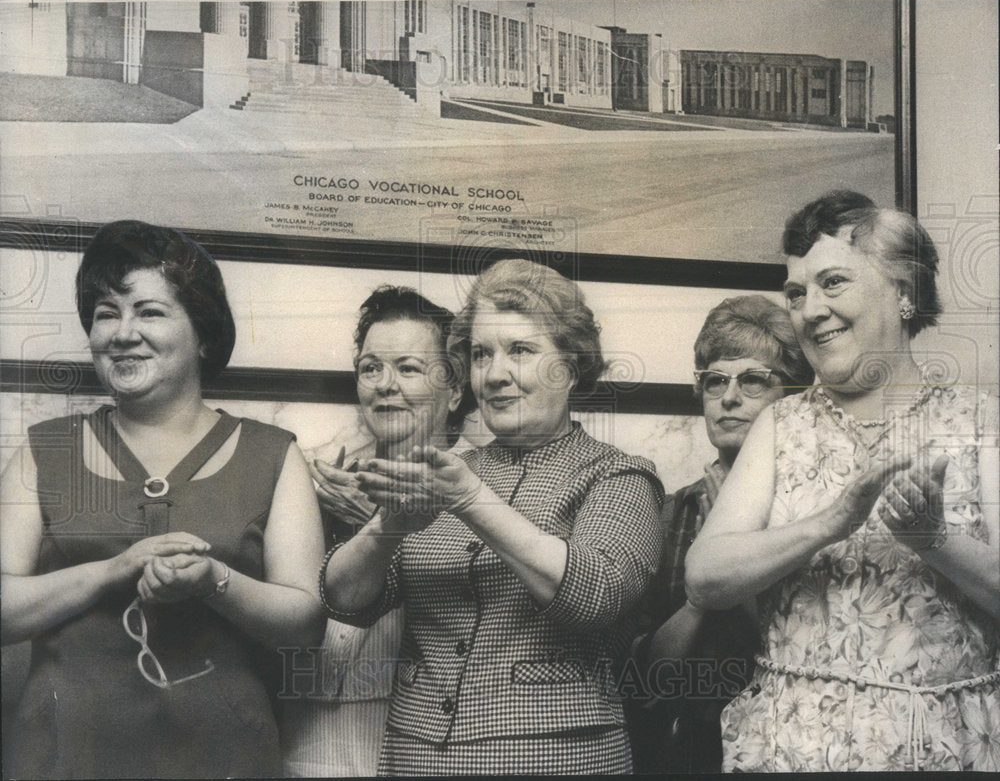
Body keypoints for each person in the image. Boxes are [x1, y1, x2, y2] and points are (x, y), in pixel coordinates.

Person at [686, 192, 1000, 772]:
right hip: (791, 746)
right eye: (796, 293)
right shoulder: (780, 424)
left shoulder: (981, 420)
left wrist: (934, 541)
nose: (809, 311)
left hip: (940, 747)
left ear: (904, 292)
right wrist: (830, 523)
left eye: (833, 283)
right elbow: (705, 580)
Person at [1, 220, 325, 779]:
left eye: (148, 312)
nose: (122, 333)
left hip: (225, 758)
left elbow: (305, 625)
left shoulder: (274, 454)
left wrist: (214, 580)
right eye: (106, 313)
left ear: (203, 334)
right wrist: (114, 570)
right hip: (61, 757)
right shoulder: (42, 450)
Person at [319, 258, 664, 774]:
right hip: (418, 760)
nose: (495, 375)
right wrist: (387, 527)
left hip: (556, 761)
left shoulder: (618, 474)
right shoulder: (446, 472)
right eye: (481, 354)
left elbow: (595, 596)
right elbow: (345, 602)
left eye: (520, 350)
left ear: (571, 367)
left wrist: (471, 500)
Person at [281, 285, 472, 777]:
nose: (385, 385)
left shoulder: (485, 490)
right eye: (371, 368)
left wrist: (376, 522)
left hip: (422, 731)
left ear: (455, 390)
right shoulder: (319, 479)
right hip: (307, 727)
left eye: (408, 368)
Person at [627, 294, 814, 773]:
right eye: (715, 380)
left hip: (789, 745)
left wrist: (728, 557)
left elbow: (800, 657)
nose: (729, 398)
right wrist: (701, 590)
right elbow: (648, 678)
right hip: (685, 753)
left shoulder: (811, 510)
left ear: (792, 398)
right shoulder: (670, 512)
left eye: (753, 380)